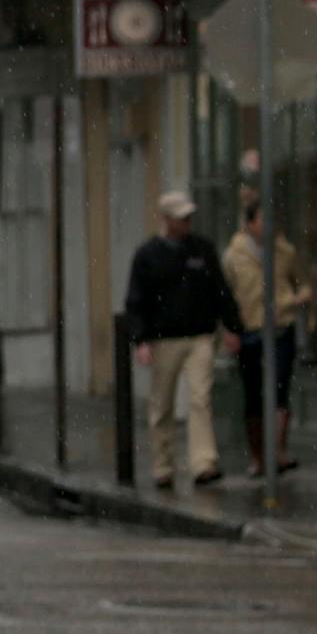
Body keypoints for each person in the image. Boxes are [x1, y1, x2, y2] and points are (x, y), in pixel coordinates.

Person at [125, 190, 241, 490]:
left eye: (188, 218)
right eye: (180, 218)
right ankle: (163, 465)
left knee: (200, 398)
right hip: (164, 338)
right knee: (162, 404)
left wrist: (231, 326)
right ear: (166, 219)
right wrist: (141, 340)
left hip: (200, 335)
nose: (186, 223)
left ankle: (203, 463)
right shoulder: (148, 255)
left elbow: (220, 290)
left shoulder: (201, 250)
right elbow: (137, 300)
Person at [223, 198, 311, 478]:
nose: (270, 225)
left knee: (280, 390)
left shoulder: (285, 251)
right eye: (264, 219)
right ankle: (259, 456)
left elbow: (303, 283)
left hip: (281, 328)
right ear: (250, 224)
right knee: (254, 395)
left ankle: (278, 452)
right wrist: (228, 330)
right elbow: (224, 296)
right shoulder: (233, 255)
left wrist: (296, 299)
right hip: (249, 331)